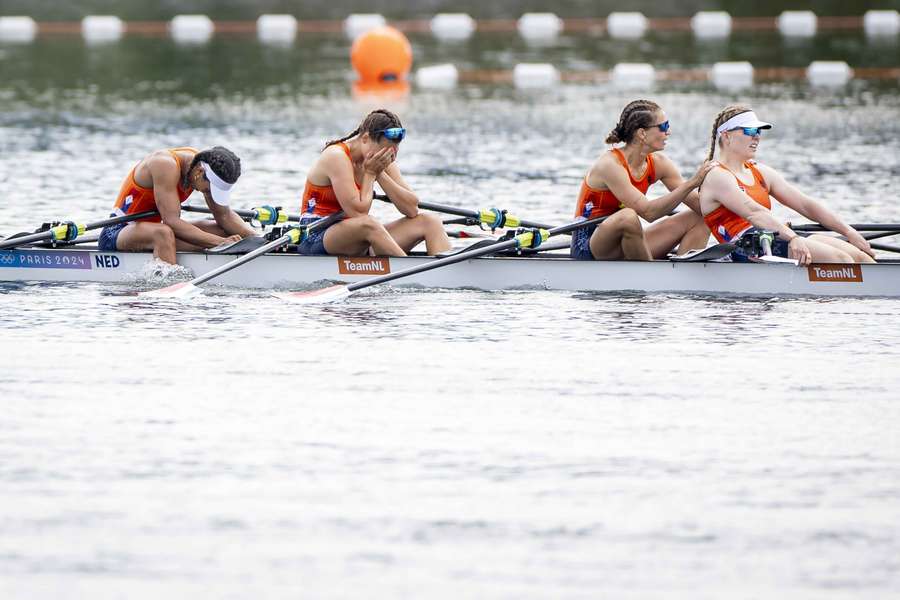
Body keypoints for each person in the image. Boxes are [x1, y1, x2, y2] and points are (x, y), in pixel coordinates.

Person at [700, 105, 875, 265]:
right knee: (841, 259)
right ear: (727, 135)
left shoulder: (760, 171)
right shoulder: (717, 175)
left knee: (860, 257)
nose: (757, 136)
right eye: (750, 130)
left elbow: (805, 205)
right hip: (745, 247)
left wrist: (849, 232)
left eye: (759, 131)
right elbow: (754, 213)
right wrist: (792, 238)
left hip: (772, 237)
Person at [571, 99, 714, 261]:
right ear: (642, 133)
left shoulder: (660, 163)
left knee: (702, 217)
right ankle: (649, 276)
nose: (669, 132)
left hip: (627, 240)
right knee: (628, 216)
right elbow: (648, 213)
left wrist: (723, 187)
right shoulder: (610, 165)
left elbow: (701, 207)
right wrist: (692, 182)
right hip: (590, 244)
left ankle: (685, 274)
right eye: (664, 127)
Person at [298, 109, 450, 257]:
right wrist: (370, 173)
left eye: (394, 150)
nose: (391, 156)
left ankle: (446, 274)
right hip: (316, 235)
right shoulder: (336, 156)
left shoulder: (381, 158)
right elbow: (358, 213)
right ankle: (411, 275)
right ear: (365, 138)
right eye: (385, 150)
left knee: (431, 221)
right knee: (369, 224)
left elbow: (411, 209)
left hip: (357, 235)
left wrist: (380, 173)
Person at [98, 146, 256, 263]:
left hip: (154, 227)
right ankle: (168, 285)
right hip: (118, 230)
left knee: (221, 229)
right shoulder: (164, 164)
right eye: (209, 190)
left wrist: (261, 241)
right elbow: (171, 222)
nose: (209, 194)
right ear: (199, 172)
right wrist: (220, 243)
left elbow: (224, 215)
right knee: (163, 233)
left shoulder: (199, 163)